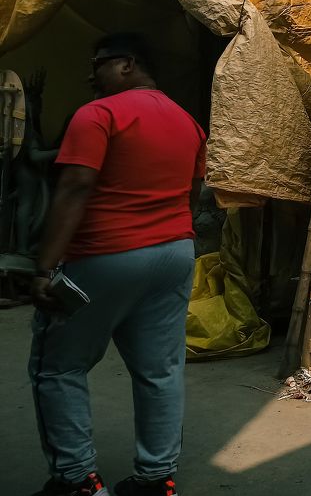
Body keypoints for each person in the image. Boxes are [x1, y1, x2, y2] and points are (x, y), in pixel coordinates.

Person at [29, 33, 206, 496]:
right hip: (173, 253)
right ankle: (155, 479)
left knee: (59, 368)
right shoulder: (187, 121)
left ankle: (77, 481)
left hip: (106, 256)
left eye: (98, 64)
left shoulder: (98, 114)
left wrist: (44, 267)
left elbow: (75, 189)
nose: (91, 74)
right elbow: (191, 193)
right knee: (161, 371)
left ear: (127, 64)